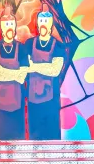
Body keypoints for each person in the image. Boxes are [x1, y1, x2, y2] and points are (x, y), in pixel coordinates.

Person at [0, 9, 29, 140]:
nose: (9, 28)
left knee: (18, 141)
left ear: (15, 27)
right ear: (0, 28)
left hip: (18, 103)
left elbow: (22, 76)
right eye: (6, 25)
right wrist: (13, 74)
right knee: (0, 140)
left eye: (11, 25)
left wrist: (2, 71)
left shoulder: (22, 48)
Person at [25, 10, 68, 140]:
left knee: (52, 137)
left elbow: (54, 70)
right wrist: (42, 67)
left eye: (46, 22)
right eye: (41, 21)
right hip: (32, 101)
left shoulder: (58, 46)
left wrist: (33, 66)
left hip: (51, 102)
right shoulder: (28, 44)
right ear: (37, 24)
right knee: (34, 137)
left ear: (51, 25)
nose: (43, 24)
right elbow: (25, 67)